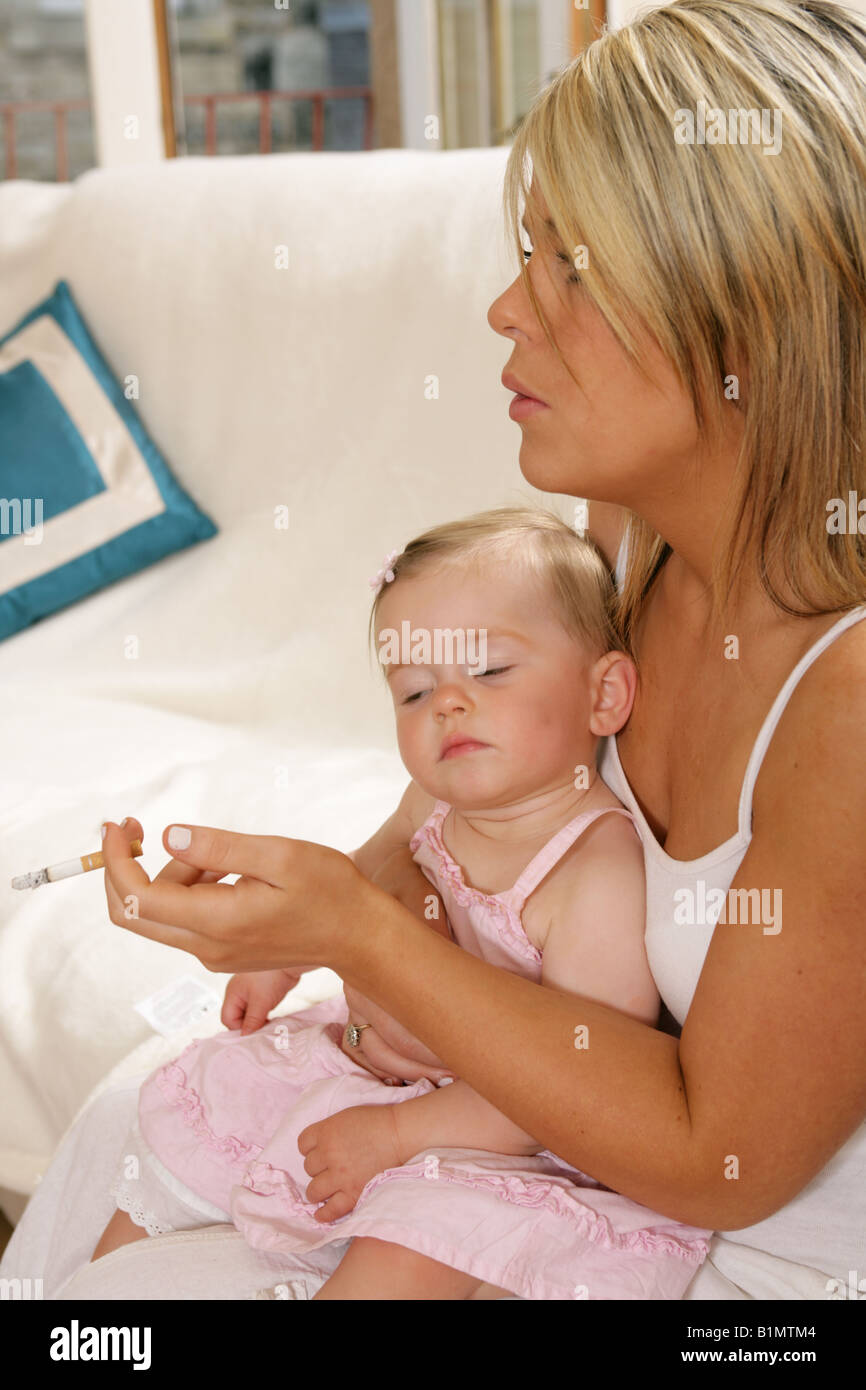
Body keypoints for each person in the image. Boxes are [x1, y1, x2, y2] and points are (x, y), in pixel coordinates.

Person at [3, 0, 865, 1301]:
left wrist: (363, 932)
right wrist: (329, 907)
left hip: (741, 1263)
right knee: (141, 1119)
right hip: (542, 1157)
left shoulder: (843, 694)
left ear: (741, 311)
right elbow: (473, 812)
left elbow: (718, 1151)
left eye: (569, 270)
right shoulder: (631, 532)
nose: (505, 307)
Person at [88, 508, 713, 1301]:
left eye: (488, 672)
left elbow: (580, 1085)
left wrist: (396, 1135)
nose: (447, 705)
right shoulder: (433, 800)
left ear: (604, 693)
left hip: (506, 1131)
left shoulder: (595, 871)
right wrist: (287, 955)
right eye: (415, 690)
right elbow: (359, 879)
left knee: (416, 1242)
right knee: (199, 1114)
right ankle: (94, 1299)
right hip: (388, 1072)